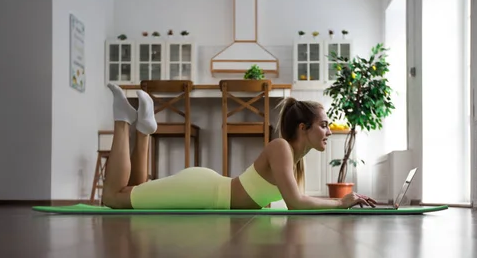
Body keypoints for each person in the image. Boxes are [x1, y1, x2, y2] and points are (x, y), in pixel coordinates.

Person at [102, 83, 377, 210]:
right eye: (324, 125)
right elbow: (295, 203)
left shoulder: (293, 158)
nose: (329, 131)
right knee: (114, 199)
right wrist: (340, 202)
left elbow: (285, 203)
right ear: (303, 128)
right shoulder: (281, 147)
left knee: (133, 192)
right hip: (202, 193)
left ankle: (144, 132)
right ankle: (122, 121)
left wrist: (339, 203)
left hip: (207, 191)